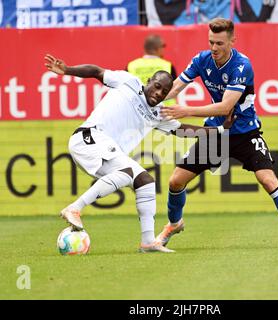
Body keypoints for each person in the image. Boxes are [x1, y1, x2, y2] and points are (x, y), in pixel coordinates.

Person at [44, 53, 234, 253]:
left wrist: (220, 130)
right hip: (88, 138)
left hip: (103, 149)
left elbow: (183, 129)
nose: (159, 93)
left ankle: (148, 242)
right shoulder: (129, 82)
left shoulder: (159, 113)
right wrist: (67, 70)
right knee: (128, 173)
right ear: (149, 81)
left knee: (145, 182)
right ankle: (74, 208)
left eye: (165, 92)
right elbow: (96, 71)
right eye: (157, 86)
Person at [156, 18, 278, 249]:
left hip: (245, 133)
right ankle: (174, 224)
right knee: (175, 181)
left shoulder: (242, 65)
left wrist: (185, 110)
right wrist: (150, 100)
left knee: (268, 179)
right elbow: (176, 87)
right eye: (211, 42)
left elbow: (225, 107)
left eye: (219, 43)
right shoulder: (202, 60)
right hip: (216, 133)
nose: (214, 48)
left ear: (232, 40)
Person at [127, 34, 177, 106]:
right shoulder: (168, 65)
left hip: (138, 109)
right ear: (158, 48)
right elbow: (175, 91)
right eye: (163, 46)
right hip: (165, 111)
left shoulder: (131, 66)